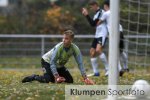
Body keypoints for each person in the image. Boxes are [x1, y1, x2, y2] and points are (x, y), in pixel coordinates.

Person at [22, 30, 94, 84]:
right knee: (48, 80)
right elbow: (52, 62)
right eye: (63, 38)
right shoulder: (59, 48)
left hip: (58, 65)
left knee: (70, 80)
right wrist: (56, 76)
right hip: (47, 61)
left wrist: (85, 78)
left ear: (71, 40)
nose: (64, 40)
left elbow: (80, 63)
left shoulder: (75, 49)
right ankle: (34, 77)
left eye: (66, 39)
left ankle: (56, 78)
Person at [97, 0, 129, 76]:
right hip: (120, 32)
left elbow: (98, 23)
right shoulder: (115, 12)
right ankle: (126, 67)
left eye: (104, 6)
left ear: (106, 6)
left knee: (114, 52)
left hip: (114, 33)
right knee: (121, 51)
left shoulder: (106, 13)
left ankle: (120, 69)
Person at [82, 1, 109, 76]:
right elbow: (93, 24)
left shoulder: (101, 12)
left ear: (95, 5)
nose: (91, 8)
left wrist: (87, 15)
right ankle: (96, 72)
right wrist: (87, 15)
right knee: (92, 52)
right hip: (97, 35)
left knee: (98, 50)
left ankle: (108, 69)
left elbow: (93, 24)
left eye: (91, 7)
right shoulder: (96, 14)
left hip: (102, 34)